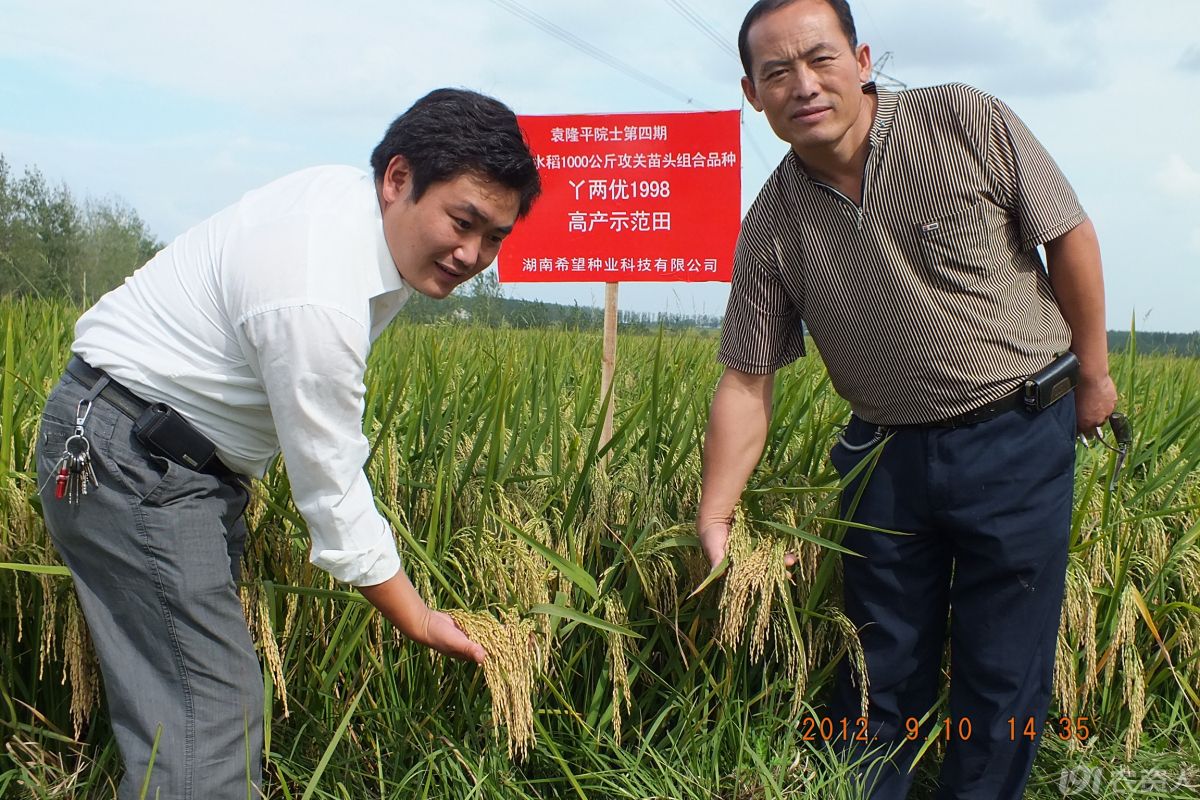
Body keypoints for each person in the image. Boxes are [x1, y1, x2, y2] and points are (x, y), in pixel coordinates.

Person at [35, 88, 541, 799]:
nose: (473, 254)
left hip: (149, 453)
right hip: (133, 461)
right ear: (398, 179)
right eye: (464, 222)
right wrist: (419, 619)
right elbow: (330, 485)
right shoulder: (317, 288)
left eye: (496, 238)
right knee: (210, 719)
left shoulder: (355, 218)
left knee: (187, 717)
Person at [697, 1, 1117, 797]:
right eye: (776, 73)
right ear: (752, 94)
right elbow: (747, 379)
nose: (804, 85)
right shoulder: (774, 223)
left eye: (820, 60)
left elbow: (1069, 235)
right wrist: (716, 515)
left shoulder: (964, 121)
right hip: (883, 457)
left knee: (1003, 662)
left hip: (1017, 432)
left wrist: (1093, 375)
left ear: (860, 59)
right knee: (877, 662)